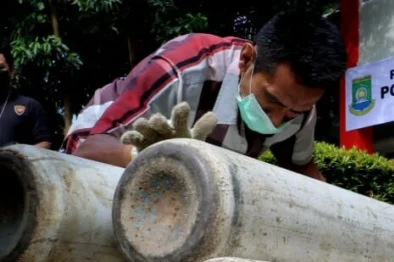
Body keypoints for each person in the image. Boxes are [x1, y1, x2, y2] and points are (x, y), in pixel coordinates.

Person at [62, 11, 346, 181]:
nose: (275, 121)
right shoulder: (181, 69)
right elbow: (87, 152)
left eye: (293, 114)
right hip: (102, 143)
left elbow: (302, 172)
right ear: (247, 60)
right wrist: (147, 153)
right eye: (271, 101)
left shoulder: (302, 107)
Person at [0, 48, 54, 149]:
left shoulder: (30, 106)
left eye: (1, 67)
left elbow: (45, 143)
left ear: (11, 71)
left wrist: (18, 156)